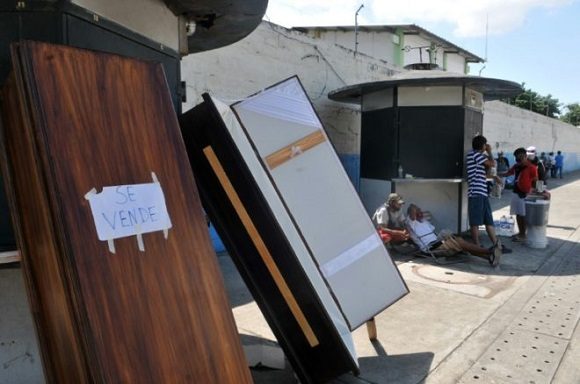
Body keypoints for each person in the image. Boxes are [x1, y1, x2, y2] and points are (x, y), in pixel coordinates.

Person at [405, 204, 502, 266]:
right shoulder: (410, 222)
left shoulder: (424, 221)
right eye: (418, 211)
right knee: (460, 242)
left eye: (420, 210)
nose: (420, 213)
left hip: (437, 242)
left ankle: (488, 257)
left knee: (459, 241)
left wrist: (443, 237)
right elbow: (412, 209)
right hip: (430, 247)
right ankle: (490, 251)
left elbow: (434, 232)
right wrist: (416, 210)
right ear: (413, 213)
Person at [466, 135, 501, 249]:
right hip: (475, 192)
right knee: (475, 221)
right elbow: (492, 163)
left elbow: (484, 174)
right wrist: (490, 151)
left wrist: (494, 177)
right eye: (485, 145)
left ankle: (496, 244)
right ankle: (477, 245)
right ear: (482, 145)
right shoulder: (475, 155)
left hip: (482, 192)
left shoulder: (477, 156)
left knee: (488, 220)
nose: (486, 147)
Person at [498, 147, 538, 242]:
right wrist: (497, 175)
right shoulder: (516, 166)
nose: (518, 159)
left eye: (519, 157)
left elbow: (536, 181)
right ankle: (521, 232)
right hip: (516, 192)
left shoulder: (531, 168)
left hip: (524, 194)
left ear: (525, 156)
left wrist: (531, 191)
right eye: (516, 157)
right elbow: (508, 173)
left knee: (522, 215)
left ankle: (523, 234)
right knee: (518, 214)